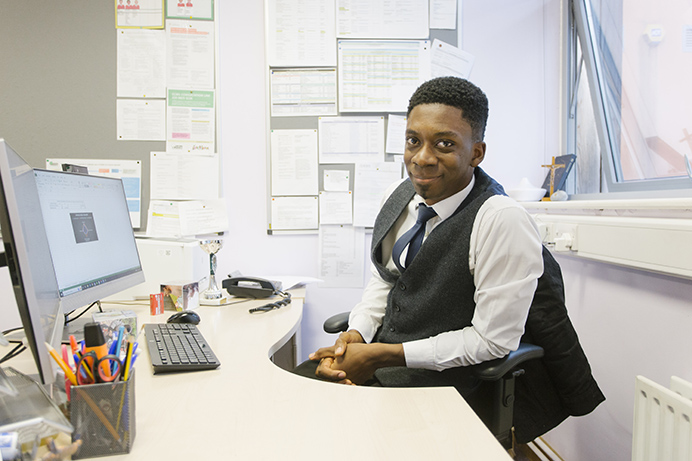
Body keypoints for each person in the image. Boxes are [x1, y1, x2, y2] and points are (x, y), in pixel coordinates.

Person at [297, 76, 604, 443]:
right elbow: (386, 279)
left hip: (449, 381)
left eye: (444, 143)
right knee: (293, 402)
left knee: (340, 438)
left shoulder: (500, 220)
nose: (422, 158)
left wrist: (380, 355)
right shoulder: (398, 199)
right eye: (413, 141)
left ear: (476, 153)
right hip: (383, 359)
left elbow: (493, 342)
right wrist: (356, 335)